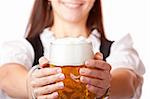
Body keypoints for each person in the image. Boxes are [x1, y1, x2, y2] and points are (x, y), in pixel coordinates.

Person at [0, 0, 145, 99]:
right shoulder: (23, 47)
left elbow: (129, 81)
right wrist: (32, 84)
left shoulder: (117, 48)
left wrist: (107, 85)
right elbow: (6, 75)